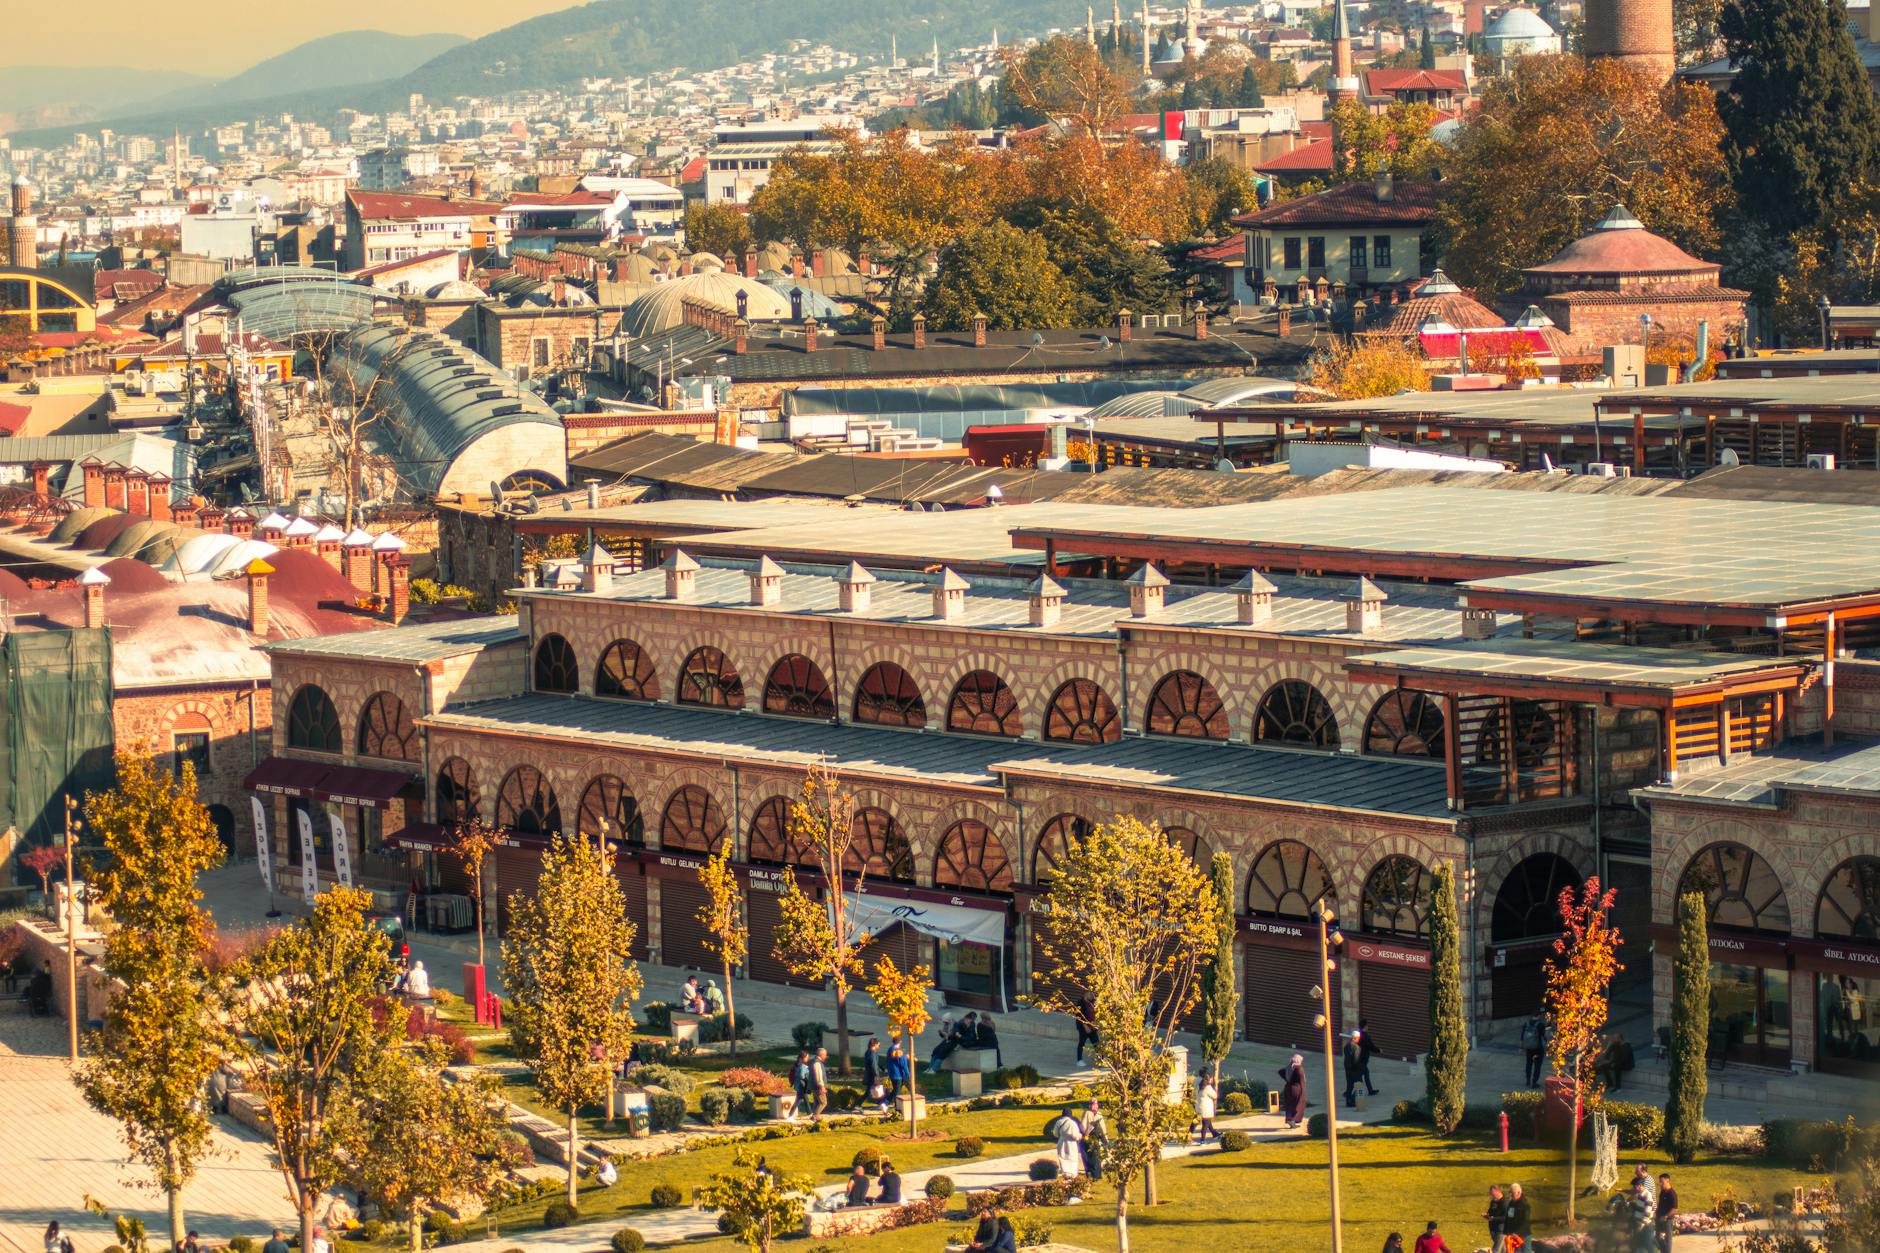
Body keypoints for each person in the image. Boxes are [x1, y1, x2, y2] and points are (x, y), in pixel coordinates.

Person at [1078, 1098, 1108, 1180]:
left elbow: (1103, 1128)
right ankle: (1092, 1174)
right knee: (1090, 1157)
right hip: (1089, 1138)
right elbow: (1083, 1126)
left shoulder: (1099, 1114)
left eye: (1096, 1104)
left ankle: (1097, 1175)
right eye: (1093, 1104)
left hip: (1098, 1138)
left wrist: (1105, 1138)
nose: (1095, 1106)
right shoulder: (1087, 1113)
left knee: (1097, 1157)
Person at [1053, 1103, 1085, 1178]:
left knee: (1062, 1156)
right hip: (1071, 1143)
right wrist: (1080, 1136)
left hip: (1062, 1141)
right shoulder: (1072, 1123)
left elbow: (1055, 1134)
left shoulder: (1059, 1122)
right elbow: (1075, 1135)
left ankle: (1065, 1172)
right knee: (1072, 1157)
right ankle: (1072, 1173)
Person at [1278, 1053, 1307, 1128]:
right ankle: (1292, 1120)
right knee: (1298, 1105)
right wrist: (1303, 1092)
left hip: (1288, 1088)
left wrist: (1287, 1080)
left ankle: (1289, 1119)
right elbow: (1302, 1081)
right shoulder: (1299, 1069)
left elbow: (1280, 1071)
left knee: (1289, 1105)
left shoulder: (1289, 1067)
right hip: (1296, 1089)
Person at [1352, 1018, 1380, 1097]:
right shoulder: (1366, 1036)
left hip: (1358, 1058)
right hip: (1362, 1059)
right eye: (1367, 1025)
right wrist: (1378, 1050)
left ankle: (1370, 1090)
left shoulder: (1357, 1035)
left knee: (1365, 1074)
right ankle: (1350, 1092)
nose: (1368, 1027)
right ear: (1365, 1026)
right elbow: (1370, 1046)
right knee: (1359, 1076)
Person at [1521, 1012, 1548, 1087]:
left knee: (1528, 1064)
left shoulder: (1526, 1024)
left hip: (1529, 1048)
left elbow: (1522, 1037)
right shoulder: (1540, 1025)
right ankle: (1534, 1082)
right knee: (1537, 1066)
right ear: (1539, 1016)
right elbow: (1544, 1036)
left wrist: (1521, 1047)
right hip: (1538, 1048)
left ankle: (1528, 1081)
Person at [1656, 1172, 1678, 1253]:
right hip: (1659, 1217)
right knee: (1657, 1236)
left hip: (1668, 1220)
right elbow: (1660, 1203)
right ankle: (1663, 1251)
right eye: (1660, 1181)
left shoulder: (1672, 1194)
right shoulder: (1662, 1192)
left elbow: (1674, 1209)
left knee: (1668, 1239)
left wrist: (1665, 1217)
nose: (1660, 1183)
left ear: (1667, 1181)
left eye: (1662, 1181)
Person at [863, 1037, 887, 1110]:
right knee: (879, 1090)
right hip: (873, 1075)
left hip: (870, 1074)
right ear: (874, 1044)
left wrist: (882, 1068)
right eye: (878, 1045)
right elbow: (874, 1065)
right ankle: (882, 1104)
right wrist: (876, 1075)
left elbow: (877, 1063)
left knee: (869, 1091)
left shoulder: (870, 1052)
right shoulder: (872, 1053)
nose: (879, 1047)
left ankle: (858, 1104)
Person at [1505, 1182, 1532, 1248]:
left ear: (1519, 1192)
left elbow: (1525, 1222)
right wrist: (1506, 1231)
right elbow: (1508, 1218)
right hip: (1512, 1235)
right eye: (1510, 1192)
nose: (1511, 1194)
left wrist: (1517, 1233)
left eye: (1512, 1193)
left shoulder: (1525, 1205)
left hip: (1523, 1235)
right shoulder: (1511, 1203)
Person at [885, 1036, 910, 1106]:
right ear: (900, 1042)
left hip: (892, 1073)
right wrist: (908, 1073)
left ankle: (887, 1101)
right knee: (896, 1091)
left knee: (895, 1089)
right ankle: (896, 1105)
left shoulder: (890, 1049)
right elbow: (903, 1064)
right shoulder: (899, 1052)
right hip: (898, 1074)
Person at [1073, 994, 1098, 1063]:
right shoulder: (1080, 1003)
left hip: (1092, 1026)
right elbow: (1078, 1016)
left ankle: (1102, 1061)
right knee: (1082, 1043)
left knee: (1097, 1043)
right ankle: (1079, 1060)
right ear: (1086, 994)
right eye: (1090, 994)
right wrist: (1085, 1026)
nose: (1092, 995)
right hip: (1083, 1027)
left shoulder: (1092, 1002)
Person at [789, 1049, 812, 1122]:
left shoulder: (796, 1065)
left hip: (799, 1085)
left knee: (804, 1100)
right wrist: (807, 1077)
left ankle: (811, 1116)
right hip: (802, 1085)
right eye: (807, 1057)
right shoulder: (803, 1066)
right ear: (803, 1058)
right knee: (799, 1101)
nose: (808, 1059)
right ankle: (790, 1116)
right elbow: (802, 1076)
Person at [1484, 1183, 1508, 1253]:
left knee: (1496, 1250)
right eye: (1490, 1193)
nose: (1491, 1195)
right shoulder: (1493, 1202)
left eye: (1492, 1193)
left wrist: (1494, 1218)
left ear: (1498, 1191)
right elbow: (1490, 1211)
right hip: (1493, 1230)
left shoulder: (1505, 1203)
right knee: (1503, 1250)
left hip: (1501, 1230)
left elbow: (1506, 1218)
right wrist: (1487, 1215)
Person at [1194, 1075, 1218, 1141]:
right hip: (1206, 1109)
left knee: (1207, 1122)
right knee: (1205, 1125)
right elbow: (1215, 1096)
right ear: (1208, 1080)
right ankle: (1202, 1140)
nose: (1212, 1080)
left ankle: (1215, 1134)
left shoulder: (1199, 1086)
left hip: (1199, 1108)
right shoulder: (1208, 1087)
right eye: (1211, 1079)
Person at [809, 1046, 829, 1122]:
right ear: (821, 1055)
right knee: (823, 1102)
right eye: (825, 1055)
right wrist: (822, 1086)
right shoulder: (817, 1063)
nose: (826, 1056)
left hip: (814, 1086)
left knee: (817, 1102)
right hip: (818, 1087)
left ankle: (813, 1117)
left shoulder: (813, 1061)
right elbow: (818, 1076)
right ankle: (815, 1116)